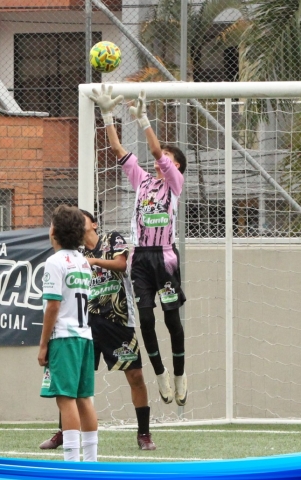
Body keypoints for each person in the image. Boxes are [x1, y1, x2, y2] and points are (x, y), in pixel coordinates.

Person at [88, 84, 188, 406]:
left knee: (172, 321)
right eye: (164, 157)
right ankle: (159, 372)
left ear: (175, 168)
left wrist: (144, 121)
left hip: (166, 258)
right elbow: (118, 148)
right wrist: (107, 115)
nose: (162, 160)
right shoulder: (142, 180)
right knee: (145, 319)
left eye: (169, 159)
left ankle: (179, 374)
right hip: (141, 258)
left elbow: (159, 153)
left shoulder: (174, 184)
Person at [40, 210, 157, 451]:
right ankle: (65, 432)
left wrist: (94, 261)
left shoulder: (111, 239)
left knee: (135, 375)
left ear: (94, 223)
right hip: (86, 323)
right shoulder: (75, 254)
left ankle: (144, 432)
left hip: (117, 318)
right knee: (75, 386)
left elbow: (122, 264)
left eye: (82, 216)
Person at [38, 205, 98, 462]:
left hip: (64, 338)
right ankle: (92, 461)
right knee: (84, 398)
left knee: (66, 399)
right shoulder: (84, 262)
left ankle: (72, 463)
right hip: (85, 337)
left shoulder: (54, 262)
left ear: (54, 231)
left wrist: (43, 346)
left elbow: (53, 305)